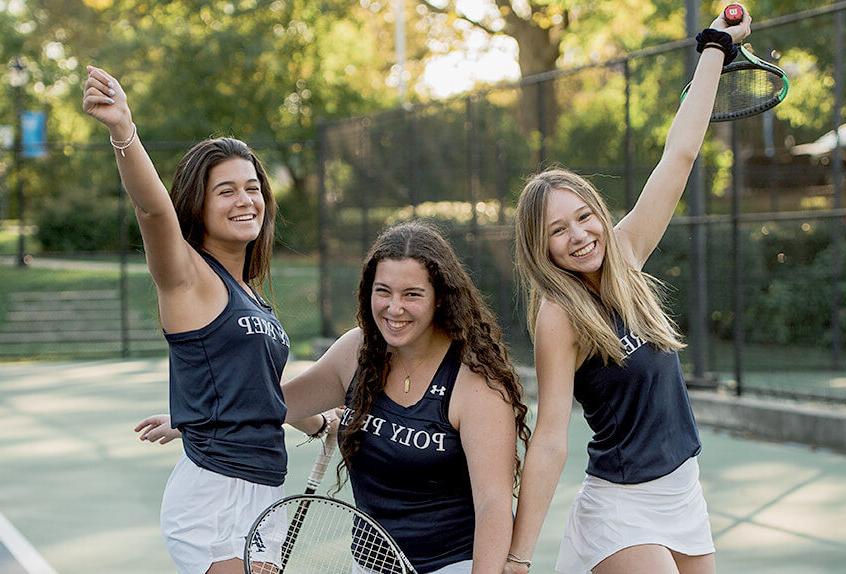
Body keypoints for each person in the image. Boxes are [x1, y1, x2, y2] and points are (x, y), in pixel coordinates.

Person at [505, 8, 752, 574]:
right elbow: (549, 438)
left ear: (599, 211)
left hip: (682, 491)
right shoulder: (559, 316)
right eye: (557, 232)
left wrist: (715, 46)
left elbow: (681, 155)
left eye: (584, 216)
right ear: (540, 249)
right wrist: (518, 558)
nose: (579, 235)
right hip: (621, 506)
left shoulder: (627, 252)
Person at [138, 220, 532, 573]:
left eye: (412, 294)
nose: (394, 308)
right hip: (373, 563)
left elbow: (494, 506)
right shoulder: (358, 352)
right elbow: (274, 403)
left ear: (440, 298)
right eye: (383, 292)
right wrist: (191, 419)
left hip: (452, 565)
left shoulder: (475, 381)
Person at [83, 66, 326, 574]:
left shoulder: (250, 297)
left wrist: (324, 423)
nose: (246, 200)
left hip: (264, 489)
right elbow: (154, 215)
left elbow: (265, 388)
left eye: (252, 187)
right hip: (215, 495)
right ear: (199, 203)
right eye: (227, 191)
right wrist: (123, 131)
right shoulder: (188, 277)